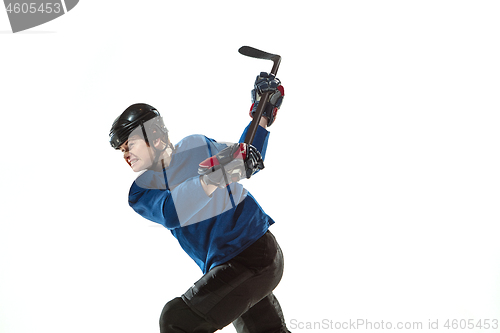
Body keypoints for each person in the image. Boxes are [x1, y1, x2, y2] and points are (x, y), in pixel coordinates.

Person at [109, 72, 290, 333]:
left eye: (130, 145)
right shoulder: (142, 191)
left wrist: (261, 114)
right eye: (123, 150)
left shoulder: (195, 146)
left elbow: (247, 158)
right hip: (228, 269)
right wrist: (216, 177)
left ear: (156, 137)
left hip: (255, 253)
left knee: (178, 320)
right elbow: (173, 211)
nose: (126, 155)